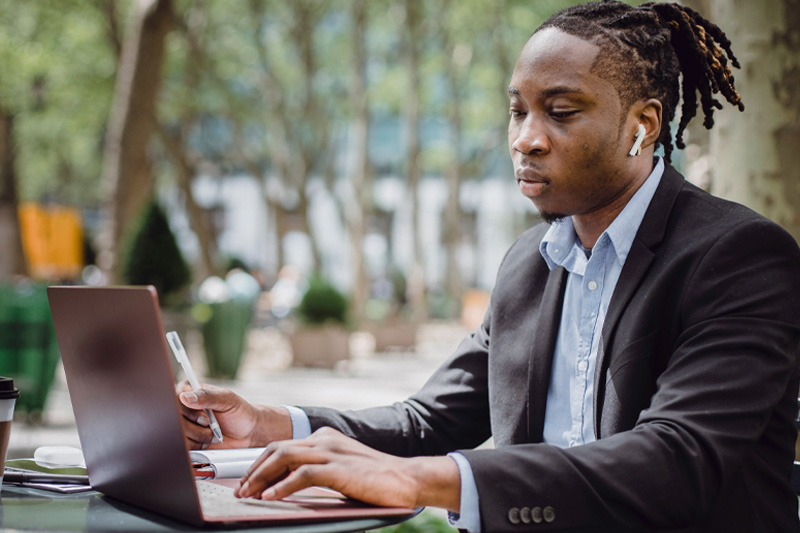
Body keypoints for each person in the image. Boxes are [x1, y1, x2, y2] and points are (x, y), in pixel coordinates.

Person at [178, 1, 800, 531]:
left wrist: (421, 480)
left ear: (642, 126)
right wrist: (268, 422)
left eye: (560, 111)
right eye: (517, 110)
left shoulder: (738, 256)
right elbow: (431, 422)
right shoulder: (530, 263)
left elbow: (677, 458)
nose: (526, 138)